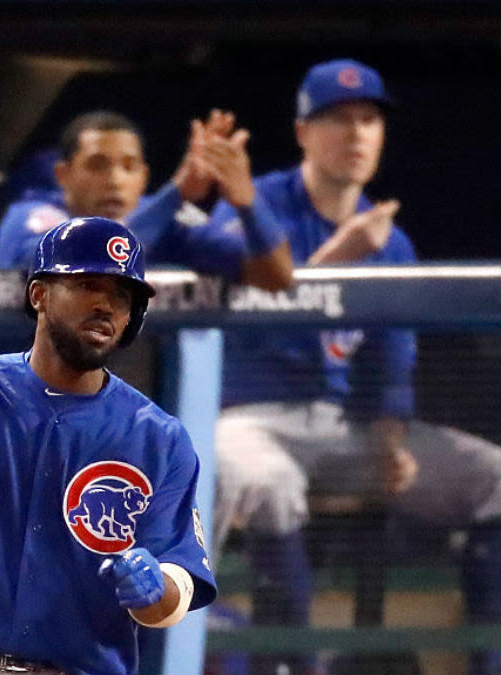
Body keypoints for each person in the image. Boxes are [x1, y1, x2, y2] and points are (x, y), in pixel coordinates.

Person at [210, 58, 501, 675]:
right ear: (302, 133)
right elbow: (245, 315)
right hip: (249, 419)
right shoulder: (253, 206)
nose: (358, 134)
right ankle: (300, 665)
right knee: (268, 482)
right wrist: (343, 253)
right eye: (339, 120)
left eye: (370, 120)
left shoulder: (389, 238)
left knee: (494, 480)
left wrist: (390, 434)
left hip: (346, 426)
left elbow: (393, 352)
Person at [0, 219, 217, 675]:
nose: (106, 304)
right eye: (88, 285)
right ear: (39, 294)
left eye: (122, 295)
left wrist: (157, 587)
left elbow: (180, 583)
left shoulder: (158, 435)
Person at [0, 109, 293, 292]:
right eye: (97, 164)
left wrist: (248, 202)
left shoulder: (164, 217)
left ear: (144, 176)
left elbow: (276, 276)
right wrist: (175, 194)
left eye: (129, 166)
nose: (115, 179)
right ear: (63, 174)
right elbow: (81, 264)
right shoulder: (33, 214)